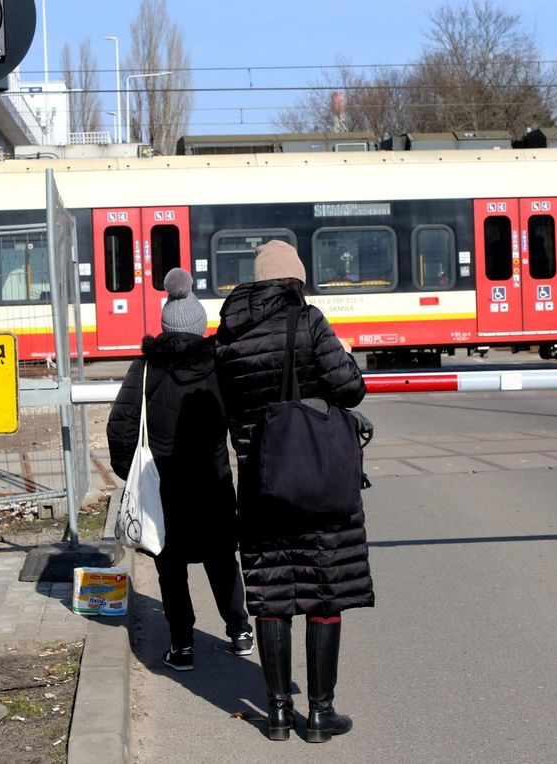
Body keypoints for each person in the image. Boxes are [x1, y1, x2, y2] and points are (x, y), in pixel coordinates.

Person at [215, 240, 373, 743]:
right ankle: (321, 715)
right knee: (325, 591)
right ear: (295, 280)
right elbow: (349, 389)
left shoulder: (228, 336)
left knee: (271, 594)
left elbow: (225, 408)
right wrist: (343, 358)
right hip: (319, 477)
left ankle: (278, 713)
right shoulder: (309, 322)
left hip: (261, 480)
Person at [107, 268, 252, 672]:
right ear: (200, 326)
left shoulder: (147, 368)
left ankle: (182, 646)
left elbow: (120, 426)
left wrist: (130, 472)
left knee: (169, 568)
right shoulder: (220, 365)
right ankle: (239, 630)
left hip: (163, 483)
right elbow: (240, 418)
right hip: (213, 481)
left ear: (165, 326)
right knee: (222, 559)